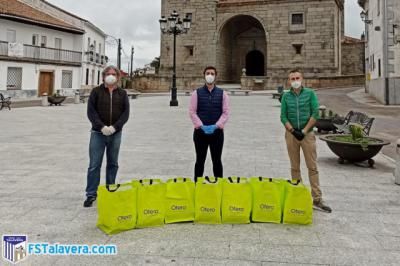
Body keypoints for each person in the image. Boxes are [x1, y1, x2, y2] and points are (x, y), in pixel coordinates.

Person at [280, 69, 332, 213]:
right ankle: (298, 195)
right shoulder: (286, 96)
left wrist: (303, 131)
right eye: (292, 78)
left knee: (312, 166)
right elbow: (283, 116)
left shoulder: (310, 94)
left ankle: (317, 198)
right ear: (289, 81)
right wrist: (292, 131)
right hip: (291, 135)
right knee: (294, 167)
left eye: (297, 78)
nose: (295, 80)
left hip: (307, 134)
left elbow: (315, 113)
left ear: (302, 79)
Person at [84, 65, 130, 207]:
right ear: (103, 76)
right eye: (108, 74)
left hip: (115, 134)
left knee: (113, 163)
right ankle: (91, 194)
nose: (111, 76)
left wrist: (115, 127)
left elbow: (125, 113)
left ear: (117, 77)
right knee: (94, 165)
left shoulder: (122, 93)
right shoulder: (96, 92)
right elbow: (91, 112)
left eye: (113, 74)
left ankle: (110, 189)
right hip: (98, 133)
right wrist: (102, 127)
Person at [189, 66, 230, 182]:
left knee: (217, 161)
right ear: (204, 75)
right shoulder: (196, 93)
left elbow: (226, 113)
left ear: (216, 76)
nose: (210, 75)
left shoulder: (223, 94)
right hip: (200, 133)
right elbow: (192, 112)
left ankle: (219, 188)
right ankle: (197, 187)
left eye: (212, 73)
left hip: (217, 133)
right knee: (199, 161)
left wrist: (217, 125)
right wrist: (201, 125)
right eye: (208, 73)